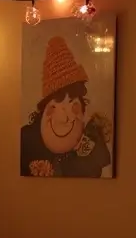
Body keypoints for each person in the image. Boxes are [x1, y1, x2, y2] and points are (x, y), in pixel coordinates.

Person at [20, 35, 111, 177]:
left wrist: (88, 137)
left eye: (72, 103)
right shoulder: (29, 136)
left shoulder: (89, 133)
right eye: (57, 104)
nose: (65, 117)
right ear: (47, 108)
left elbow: (103, 161)